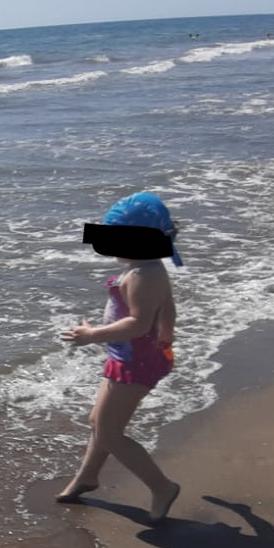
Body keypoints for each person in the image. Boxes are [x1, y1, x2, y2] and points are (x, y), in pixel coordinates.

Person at [56, 192, 183, 522]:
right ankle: (86, 477)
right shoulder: (146, 269)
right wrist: (167, 331)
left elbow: (139, 323)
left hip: (135, 363)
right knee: (99, 423)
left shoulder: (144, 276)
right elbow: (167, 306)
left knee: (109, 432)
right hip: (127, 358)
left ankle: (161, 487)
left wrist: (92, 335)